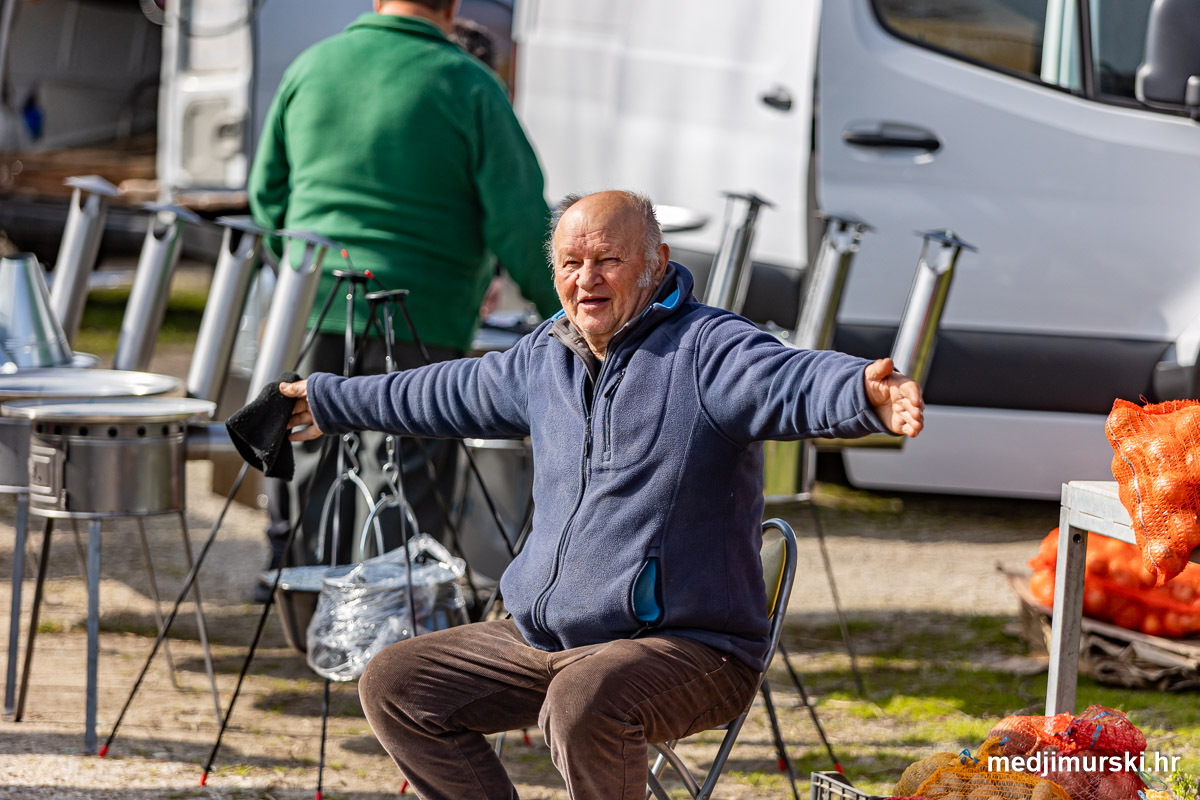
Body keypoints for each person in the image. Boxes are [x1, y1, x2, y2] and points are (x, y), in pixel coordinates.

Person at [280, 190, 924, 799]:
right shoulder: (545, 355)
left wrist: (860, 391)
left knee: (585, 698)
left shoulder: (708, 349)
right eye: (571, 263)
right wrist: (329, 401)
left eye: (608, 260)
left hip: (688, 648)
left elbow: (789, 377)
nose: (586, 279)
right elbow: (442, 391)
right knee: (397, 683)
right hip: (546, 640)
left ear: (655, 264)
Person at [246, 0, 561, 573]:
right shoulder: (470, 84)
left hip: (315, 304)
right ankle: (390, 621)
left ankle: (305, 602)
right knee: (402, 479)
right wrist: (567, 313)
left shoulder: (312, 66)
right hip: (424, 316)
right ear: (453, 6)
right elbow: (519, 223)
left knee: (310, 463)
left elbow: (267, 198)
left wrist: (300, 273)